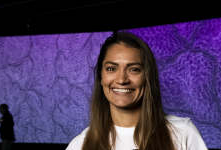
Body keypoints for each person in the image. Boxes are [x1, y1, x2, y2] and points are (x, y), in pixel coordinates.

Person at [66, 32, 208, 150]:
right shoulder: (80, 145)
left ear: (147, 77)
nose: (121, 79)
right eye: (111, 68)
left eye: (134, 69)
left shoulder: (183, 133)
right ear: (101, 77)